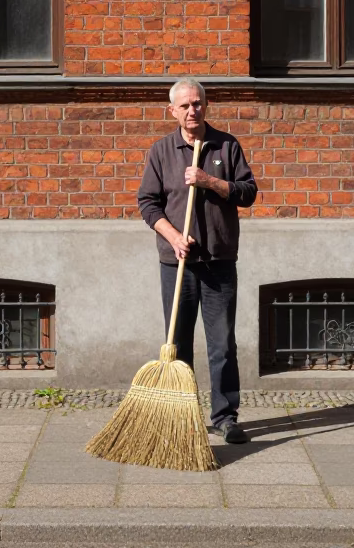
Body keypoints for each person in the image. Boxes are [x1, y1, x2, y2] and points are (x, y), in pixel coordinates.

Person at [136, 77, 258, 444]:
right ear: (172, 111)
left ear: (206, 106)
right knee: (179, 344)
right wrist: (174, 237)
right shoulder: (161, 151)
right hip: (178, 265)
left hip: (219, 262)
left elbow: (248, 193)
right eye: (185, 105)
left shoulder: (226, 146)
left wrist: (209, 181)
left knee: (222, 343)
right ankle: (183, 417)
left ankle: (225, 417)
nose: (193, 110)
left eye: (198, 103)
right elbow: (147, 203)